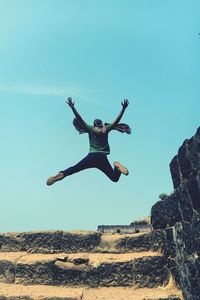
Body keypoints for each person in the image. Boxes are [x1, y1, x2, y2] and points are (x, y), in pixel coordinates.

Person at [46, 97, 131, 186]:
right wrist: (123, 109)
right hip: (102, 158)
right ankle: (116, 167)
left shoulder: (91, 129)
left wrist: (72, 107)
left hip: (91, 157)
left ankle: (62, 174)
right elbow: (116, 121)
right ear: (101, 124)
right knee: (114, 178)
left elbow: (80, 119)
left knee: (74, 169)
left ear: (94, 125)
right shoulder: (106, 129)